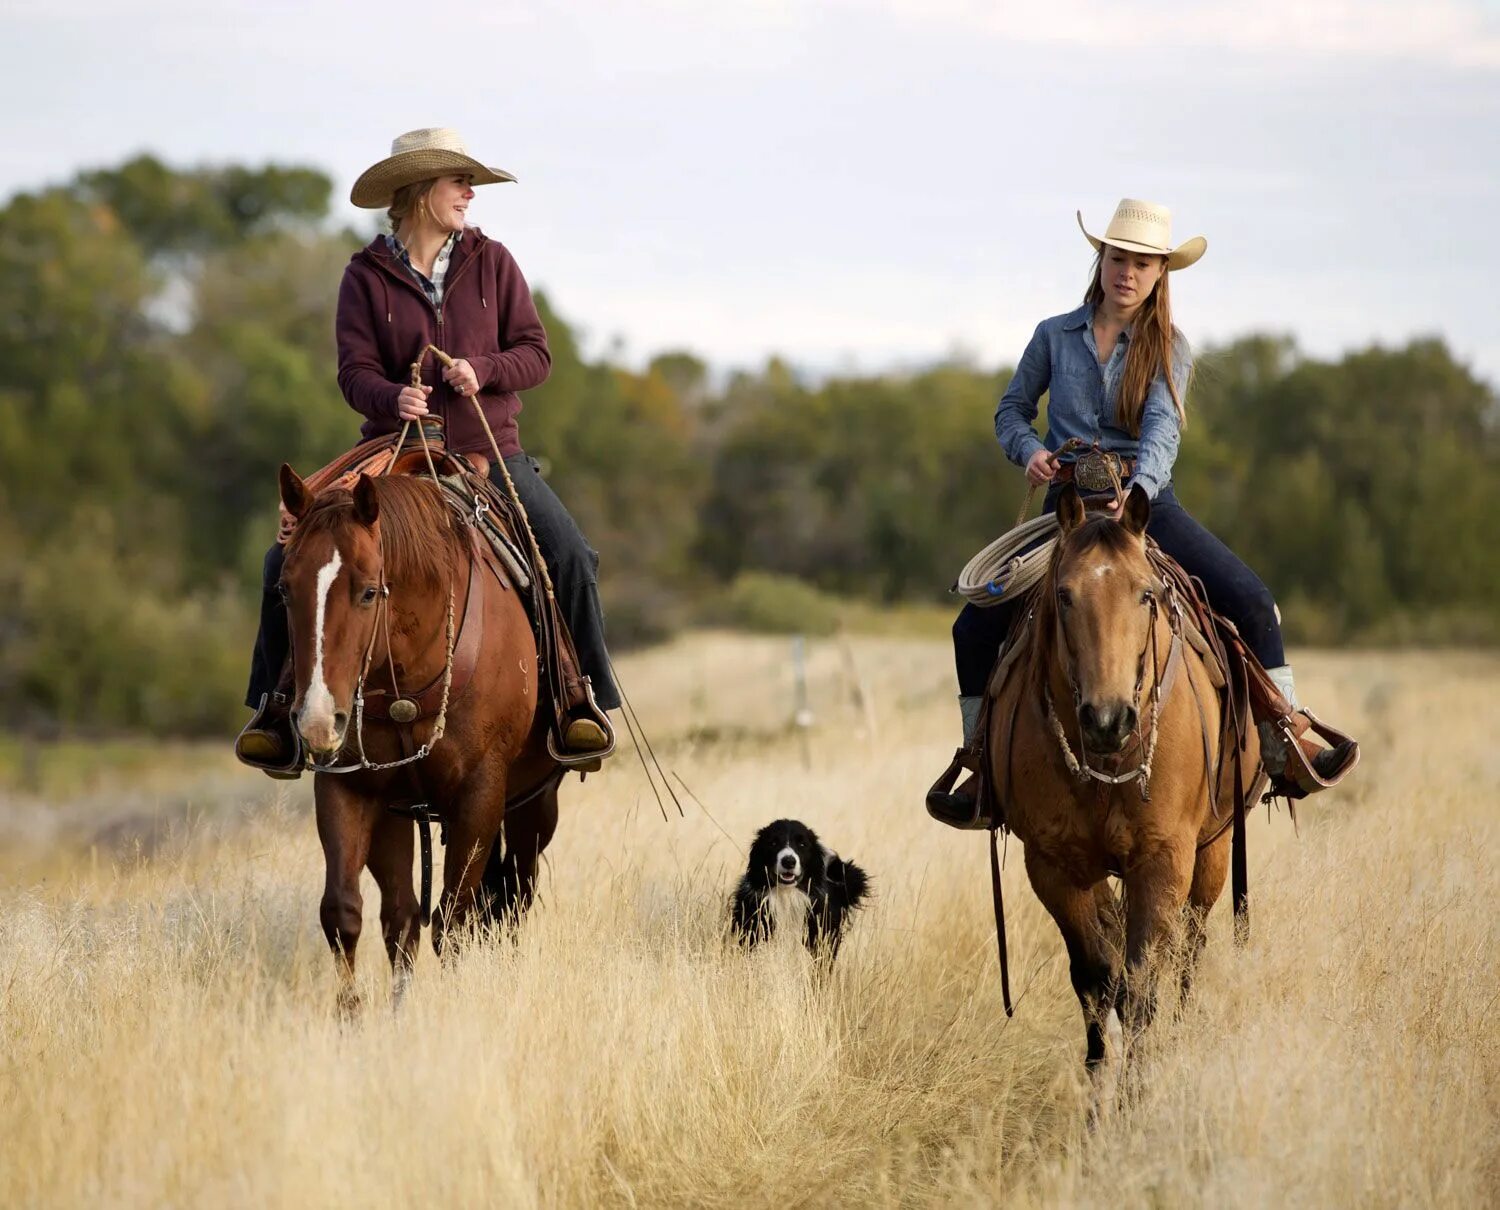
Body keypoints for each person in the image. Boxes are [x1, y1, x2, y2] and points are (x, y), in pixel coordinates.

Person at [927, 198, 1358, 819]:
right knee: (972, 627)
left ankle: (1284, 740)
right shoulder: (1053, 335)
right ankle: (980, 766)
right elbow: (1011, 410)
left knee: (1253, 601)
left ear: (1160, 275)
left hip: (1144, 504)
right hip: (1068, 509)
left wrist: (1140, 493)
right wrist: (1029, 452)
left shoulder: (1168, 345)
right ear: (1102, 261)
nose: (1128, 272)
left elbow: (1162, 431)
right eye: (1119, 257)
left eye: (1143, 263)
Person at [236, 127, 618, 774]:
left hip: (486, 450)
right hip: (392, 449)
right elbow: (353, 372)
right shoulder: (365, 274)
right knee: (286, 559)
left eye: (470, 184)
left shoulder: (493, 261)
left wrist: (485, 369)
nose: (470, 194)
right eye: (458, 182)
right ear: (418, 192)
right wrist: (392, 398)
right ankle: (277, 712)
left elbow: (536, 353)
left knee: (571, 554)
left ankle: (581, 701)